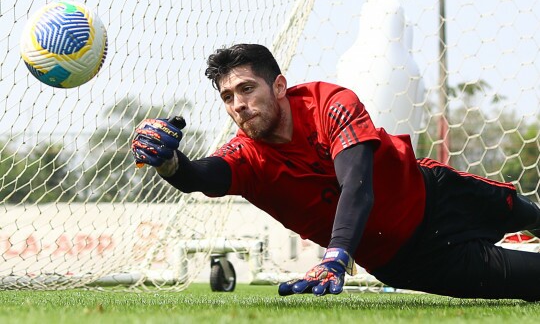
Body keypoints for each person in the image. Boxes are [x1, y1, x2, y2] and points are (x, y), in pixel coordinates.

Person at [131, 43, 540, 301]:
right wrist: (170, 162)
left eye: (246, 88)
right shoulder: (245, 157)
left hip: (434, 193)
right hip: (411, 258)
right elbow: (200, 177)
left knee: (528, 213)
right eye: (227, 97)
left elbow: (357, 186)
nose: (237, 103)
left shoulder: (330, 102)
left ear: (278, 87)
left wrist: (335, 258)